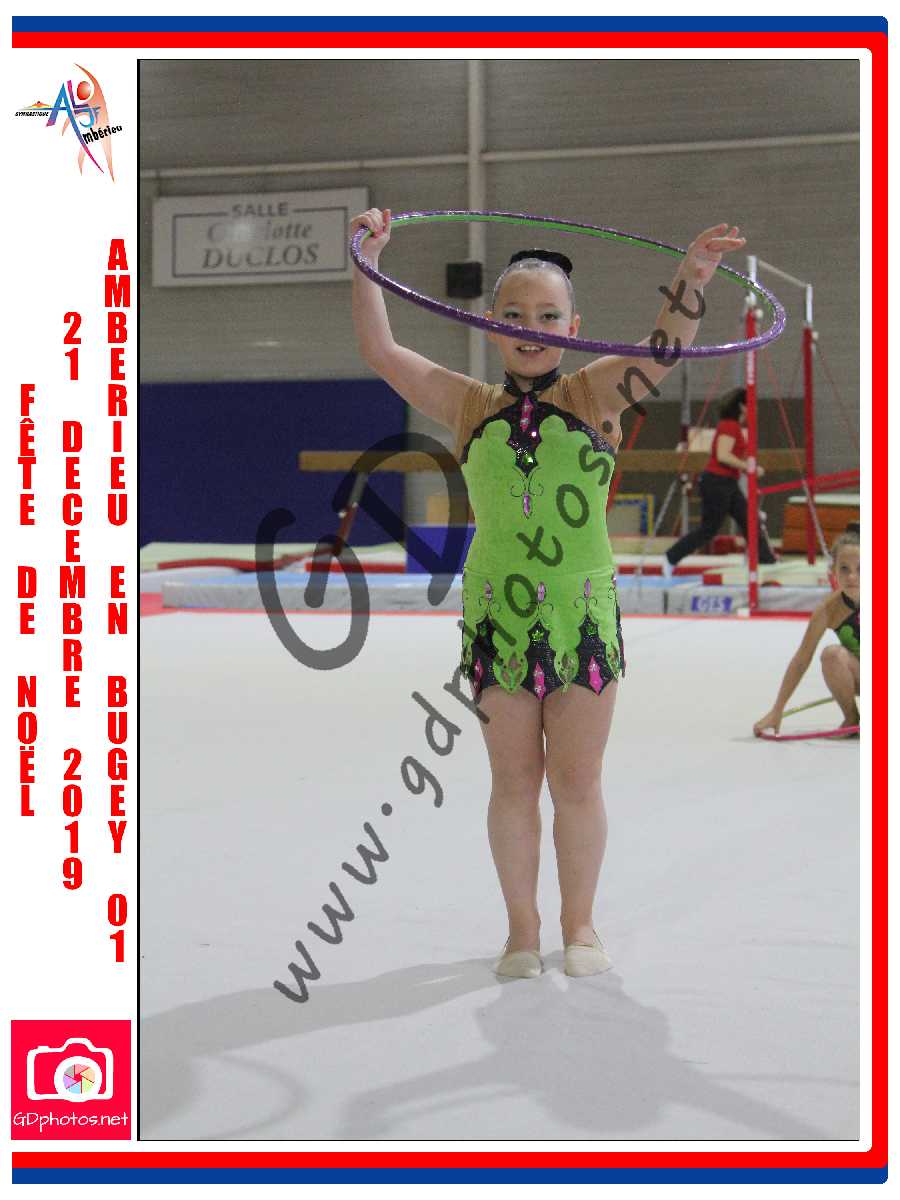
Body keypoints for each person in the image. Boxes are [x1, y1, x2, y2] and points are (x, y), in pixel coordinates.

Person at [351, 207, 746, 978]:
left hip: (581, 614)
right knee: (512, 784)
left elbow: (665, 347)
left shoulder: (596, 394)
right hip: (498, 617)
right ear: (490, 323)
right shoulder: (470, 404)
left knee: (577, 783)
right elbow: (382, 352)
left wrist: (692, 276)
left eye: (548, 315)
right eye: (514, 314)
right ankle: (522, 931)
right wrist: (365, 264)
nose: (530, 327)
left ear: (574, 327)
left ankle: (580, 925)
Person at [753, 529, 860, 737]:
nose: (852, 577)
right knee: (831, 655)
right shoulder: (828, 610)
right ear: (833, 571)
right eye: (844, 568)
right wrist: (777, 710)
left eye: (861, 569)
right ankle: (852, 718)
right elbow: (801, 659)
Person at [661, 387, 777, 577]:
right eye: (752, 405)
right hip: (716, 482)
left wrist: (747, 468)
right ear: (742, 406)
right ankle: (671, 557)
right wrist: (748, 467)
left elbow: (730, 457)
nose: (755, 409)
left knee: (750, 520)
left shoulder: (735, 427)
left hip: (728, 482)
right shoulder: (729, 426)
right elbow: (723, 455)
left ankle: (767, 561)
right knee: (709, 529)